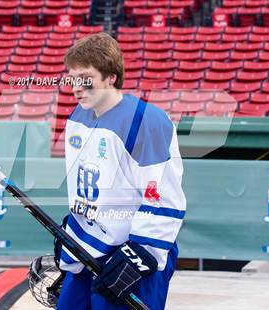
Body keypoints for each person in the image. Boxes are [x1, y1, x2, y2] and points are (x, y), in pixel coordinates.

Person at [56, 32, 186, 310]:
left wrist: (139, 255)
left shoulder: (146, 122)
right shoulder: (78, 116)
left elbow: (164, 199)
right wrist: (72, 231)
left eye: (86, 78)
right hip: (88, 249)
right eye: (72, 79)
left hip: (132, 253)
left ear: (111, 77)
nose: (76, 87)